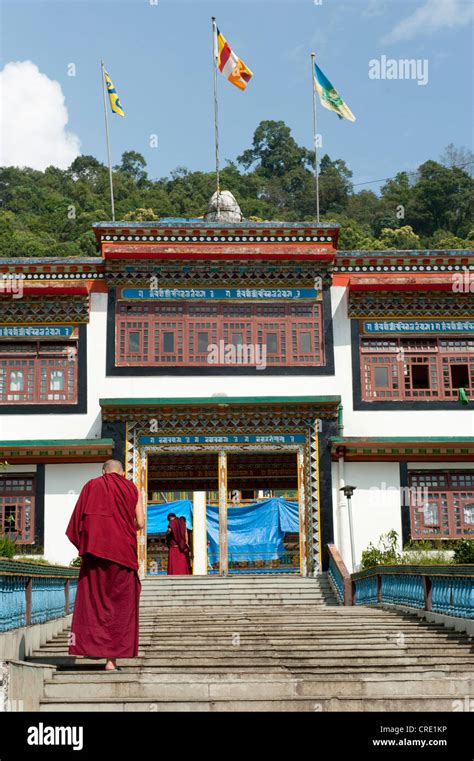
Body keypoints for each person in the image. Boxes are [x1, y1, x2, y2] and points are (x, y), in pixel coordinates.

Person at [65, 459, 145, 671]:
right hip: (123, 555)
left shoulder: (92, 485)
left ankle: (93, 648)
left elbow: (77, 523)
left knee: (94, 603)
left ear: (104, 472)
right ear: (122, 473)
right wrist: (122, 527)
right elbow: (141, 522)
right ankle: (112, 661)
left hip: (96, 553)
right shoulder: (132, 488)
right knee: (120, 606)